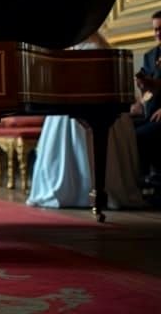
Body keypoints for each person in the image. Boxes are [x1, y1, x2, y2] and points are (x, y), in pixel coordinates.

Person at [26, 32, 145, 209]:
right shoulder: (83, 47)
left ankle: (92, 190)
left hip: (88, 105)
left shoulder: (92, 49)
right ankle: (89, 190)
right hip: (75, 103)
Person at [134, 10, 161, 185]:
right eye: (155, 30)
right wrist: (140, 88)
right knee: (123, 132)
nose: (158, 33)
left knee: (139, 136)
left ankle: (148, 181)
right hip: (148, 112)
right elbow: (145, 81)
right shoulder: (150, 55)